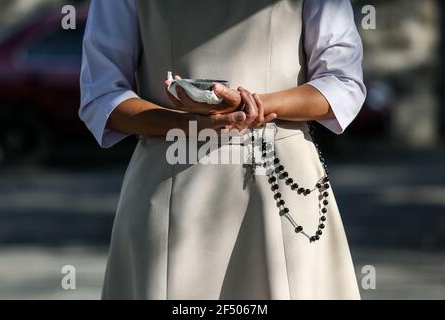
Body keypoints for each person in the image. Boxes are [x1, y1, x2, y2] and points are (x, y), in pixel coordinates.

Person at [80, 0, 366, 300]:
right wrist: (193, 122)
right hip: (171, 186)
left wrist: (252, 106)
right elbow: (103, 96)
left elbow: (342, 83)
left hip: (278, 188)